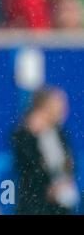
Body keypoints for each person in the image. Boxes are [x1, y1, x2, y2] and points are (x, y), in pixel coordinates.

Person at [12, 87, 80, 215]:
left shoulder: (59, 132)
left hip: (61, 204)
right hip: (35, 205)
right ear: (45, 106)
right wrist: (46, 188)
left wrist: (65, 182)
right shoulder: (25, 133)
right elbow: (27, 167)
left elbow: (69, 162)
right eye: (59, 105)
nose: (64, 110)